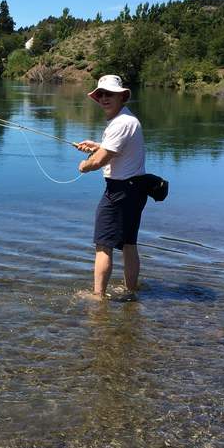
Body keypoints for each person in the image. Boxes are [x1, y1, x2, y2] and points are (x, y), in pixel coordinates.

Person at [76, 74, 148, 301]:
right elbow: (115, 149)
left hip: (119, 191)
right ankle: (131, 290)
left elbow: (99, 161)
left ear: (121, 97)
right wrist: (98, 145)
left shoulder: (121, 123)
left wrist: (85, 165)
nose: (104, 98)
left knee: (103, 244)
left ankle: (98, 296)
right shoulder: (126, 120)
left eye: (110, 94)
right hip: (135, 189)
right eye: (101, 94)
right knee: (129, 243)